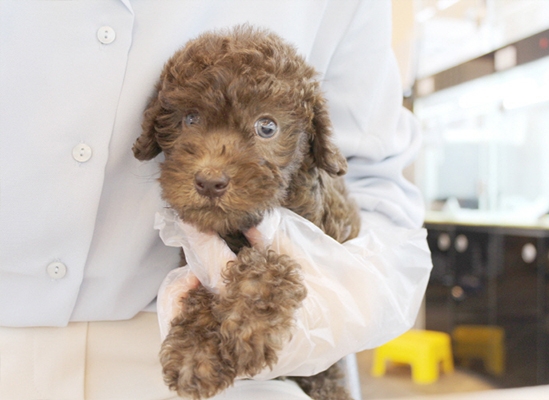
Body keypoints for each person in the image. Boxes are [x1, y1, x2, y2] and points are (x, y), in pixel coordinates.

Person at [0, 1, 432, 399]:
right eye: (189, 120)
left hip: (217, 366)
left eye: (265, 129)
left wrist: (337, 306)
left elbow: (374, 177)